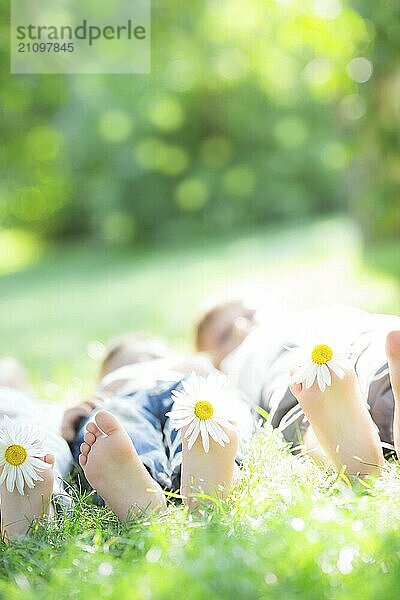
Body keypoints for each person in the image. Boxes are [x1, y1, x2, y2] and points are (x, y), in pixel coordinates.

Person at [195, 297, 400, 477]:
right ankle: (341, 446)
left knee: (382, 354)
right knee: (308, 398)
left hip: (363, 338)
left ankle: (347, 444)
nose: (240, 327)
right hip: (295, 362)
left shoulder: (304, 316)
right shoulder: (242, 360)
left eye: (250, 313)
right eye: (224, 336)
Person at [64, 333, 254, 521]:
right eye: (126, 361)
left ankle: (203, 470)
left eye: (151, 355)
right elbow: (81, 413)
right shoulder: (110, 386)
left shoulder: (188, 363)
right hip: (125, 397)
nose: (142, 360)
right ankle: (138, 481)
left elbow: (222, 381)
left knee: (209, 406)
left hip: (188, 388)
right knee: (113, 421)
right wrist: (78, 412)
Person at [0, 358, 73, 541]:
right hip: (29, 434)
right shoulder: (43, 407)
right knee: (46, 447)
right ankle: (45, 510)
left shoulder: (41, 406)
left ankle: (35, 510)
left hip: (24, 438)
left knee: (39, 453)